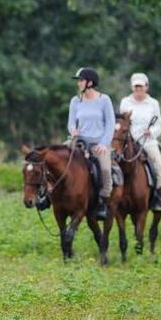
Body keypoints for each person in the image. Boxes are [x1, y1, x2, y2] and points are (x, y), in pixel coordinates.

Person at [67, 67, 116, 220]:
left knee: (105, 169)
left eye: (81, 80)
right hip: (79, 142)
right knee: (57, 158)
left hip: (98, 143)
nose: (78, 83)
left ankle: (102, 202)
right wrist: (73, 130)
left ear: (90, 82)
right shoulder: (75, 101)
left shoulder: (104, 100)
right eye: (78, 81)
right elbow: (70, 123)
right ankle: (48, 194)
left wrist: (104, 144)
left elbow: (110, 124)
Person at [119, 72, 161, 211]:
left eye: (141, 87)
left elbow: (160, 125)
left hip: (148, 141)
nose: (138, 89)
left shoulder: (153, 103)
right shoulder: (125, 102)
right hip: (128, 142)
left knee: (159, 165)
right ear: (132, 87)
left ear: (146, 87)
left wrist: (151, 131)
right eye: (136, 87)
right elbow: (121, 122)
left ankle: (158, 196)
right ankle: (110, 195)